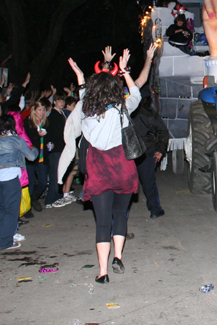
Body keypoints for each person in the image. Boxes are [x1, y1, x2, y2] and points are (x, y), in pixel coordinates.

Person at [69, 50, 141, 284]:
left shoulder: (85, 111)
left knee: (102, 222)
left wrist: (81, 76)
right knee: (120, 214)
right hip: (122, 169)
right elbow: (137, 95)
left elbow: (82, 96)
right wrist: (125, 72)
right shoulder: (122, 109)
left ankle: (102, 272)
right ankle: (118, 256)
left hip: (99, 172)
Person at [0, 114, 37, 250]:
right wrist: (35, 149)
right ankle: (6, 242)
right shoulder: (17, 140)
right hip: (10, 176)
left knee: (2, 206)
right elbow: (31, 157)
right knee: (12, 210)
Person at [132, 87, 170, 219]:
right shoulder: (150, 113)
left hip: (127, 152)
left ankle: (118, 213)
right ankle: (155, 209)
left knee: (124, 184)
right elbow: (163, 132)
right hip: (146, 152)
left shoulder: (124, 112)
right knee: (149, 183)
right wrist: (160, 150)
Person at [24, 99, 50, 210]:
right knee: (30, 182)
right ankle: (28, 206)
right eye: (39, 110)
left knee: (43, 182)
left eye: (43, 110)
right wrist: (37, 135)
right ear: (34, 111)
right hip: (31, 157)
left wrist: (50, 143)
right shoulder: (28, 123)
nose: (42, 112)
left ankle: (33, 198)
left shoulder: (46, 122)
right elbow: (27, 140)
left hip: (42, 157)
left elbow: (49, 136)